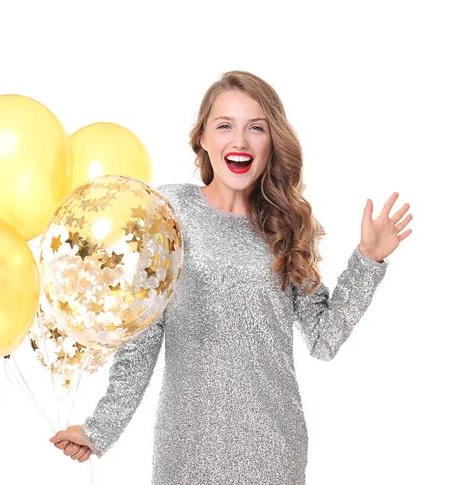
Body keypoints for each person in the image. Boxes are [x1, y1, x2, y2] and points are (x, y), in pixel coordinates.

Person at [49, 70, 413, 483]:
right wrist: (101, 429)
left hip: (273, 448)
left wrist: (368, 259)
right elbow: (143, 337)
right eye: (225, 126)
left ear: (272, 140)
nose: (240, 141)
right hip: (186, 448)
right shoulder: (168, 212)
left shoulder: (288, 225)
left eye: (256, 127)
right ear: (202, 137)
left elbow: (324, 340)